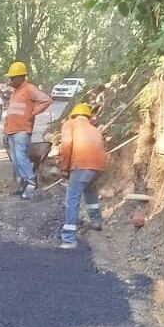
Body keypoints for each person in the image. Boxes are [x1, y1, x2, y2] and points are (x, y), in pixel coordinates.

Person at [57, 102, 107, 249]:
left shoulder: (70, 124)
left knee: (72, 199)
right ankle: (96, 222)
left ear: (73, 115)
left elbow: (66, 146)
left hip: (81, 164)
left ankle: (69, 239)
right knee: (90, 190)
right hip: (99, 166)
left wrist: (65, 168)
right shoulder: (94, 129)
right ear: (88, 117)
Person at [2, 61, 52, 199]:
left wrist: (33, 112)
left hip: (22, 130)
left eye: (12, 78)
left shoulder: (30, 89)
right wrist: (5, 131)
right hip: (11, 130)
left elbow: (46, 100)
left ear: (20, 77)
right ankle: (22, 184)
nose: (10, 80)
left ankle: (31, 183)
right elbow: (10, 112)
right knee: (15, 160)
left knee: (21, 158)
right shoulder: (15, 92)